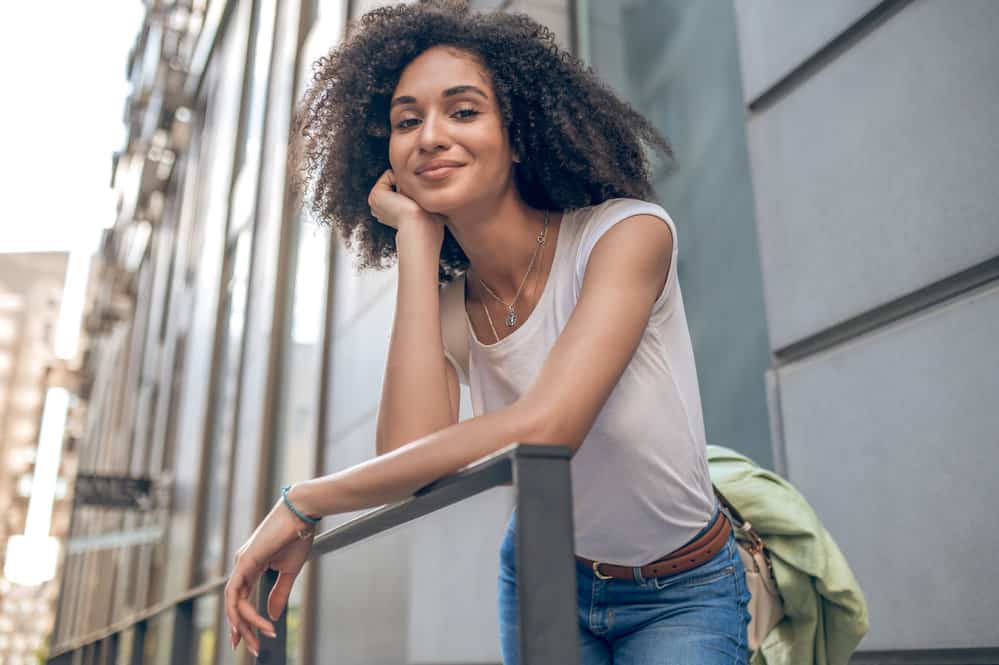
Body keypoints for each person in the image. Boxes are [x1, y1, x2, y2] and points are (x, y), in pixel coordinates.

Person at [224, 1, 751, 662]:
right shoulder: (449, 306)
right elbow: (409, 461)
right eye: (406, 121)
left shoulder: (624, 236)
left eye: (463, 111)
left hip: (681, 588)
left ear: (519, 133)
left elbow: (547, 427)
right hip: (543, 572)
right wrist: (417, 242)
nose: (429, 136)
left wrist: (305, 501)